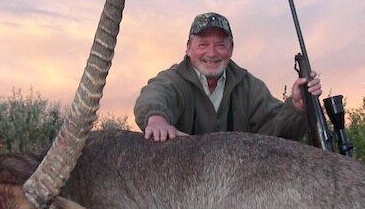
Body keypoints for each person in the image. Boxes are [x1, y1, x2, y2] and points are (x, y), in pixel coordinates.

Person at [134, 12, 322, 142]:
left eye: (220, 45)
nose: (212, 53)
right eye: (203, 44)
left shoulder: (249, 86)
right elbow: (154, 94)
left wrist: (296, 107)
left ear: (231, 49)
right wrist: (156, 118)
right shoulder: (173, 79)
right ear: (188, 48)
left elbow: (277, 133)